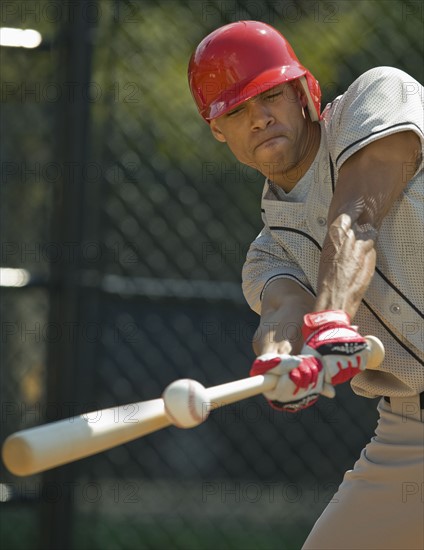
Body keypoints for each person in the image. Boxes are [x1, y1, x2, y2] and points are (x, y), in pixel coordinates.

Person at [188, 20, 424, 550]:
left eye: (270, 95)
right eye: (237, 110)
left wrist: (333, 318)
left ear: (304, 93)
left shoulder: (378, 96)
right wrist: (280, 364)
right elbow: (282, 313)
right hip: (413, 429)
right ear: (218, 130)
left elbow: (357, 215)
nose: (259, 118)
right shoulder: (267, 252)